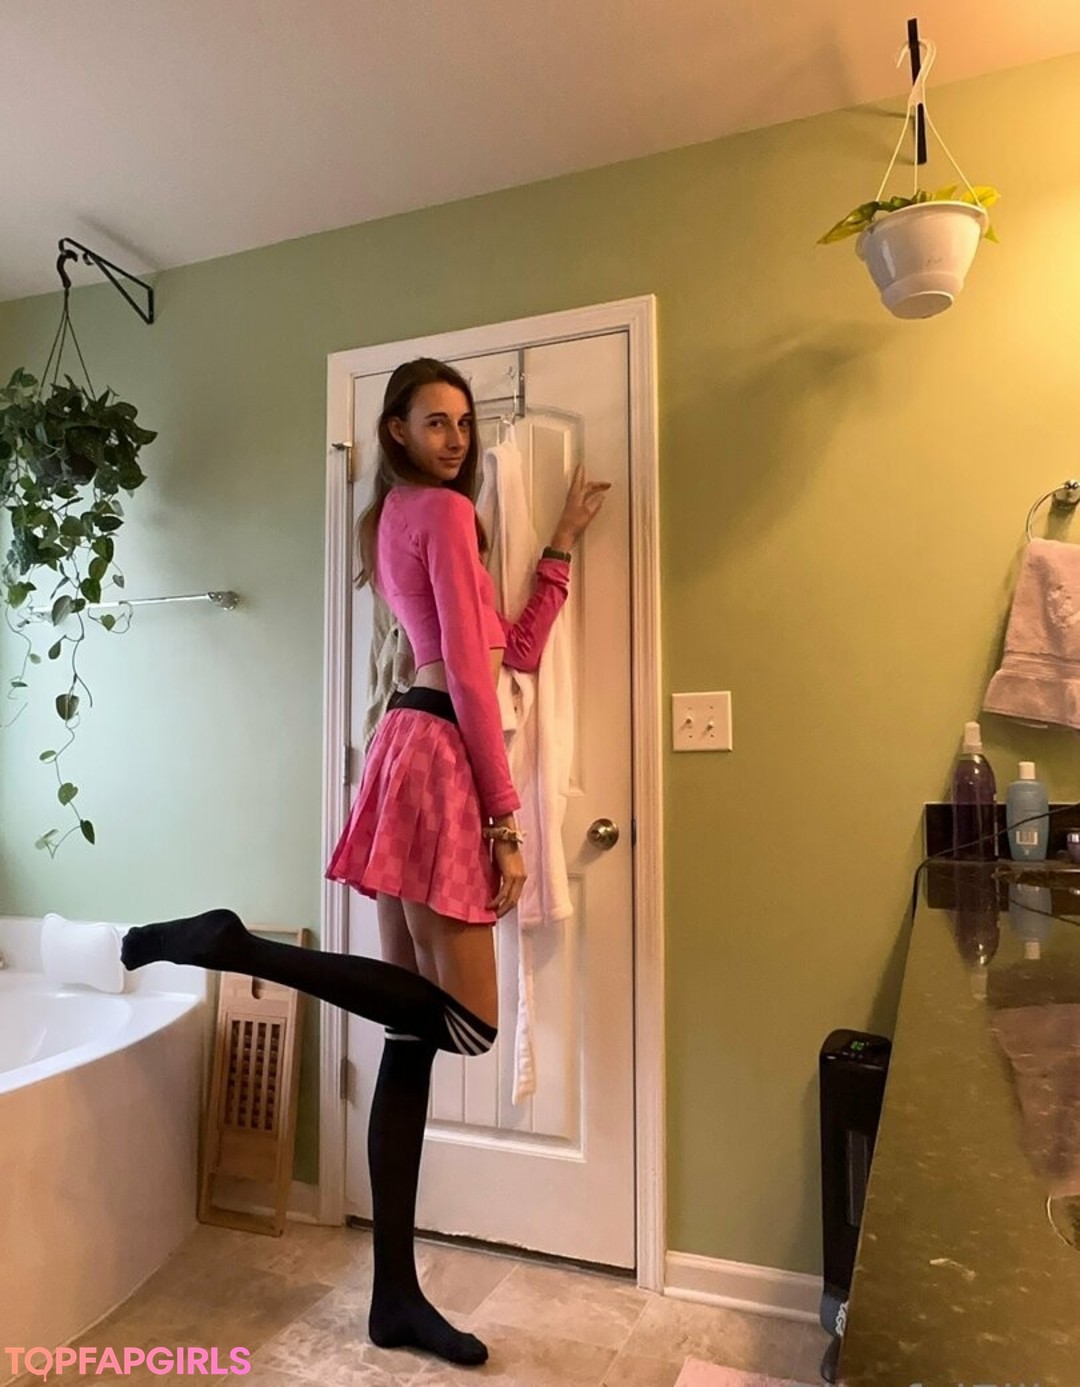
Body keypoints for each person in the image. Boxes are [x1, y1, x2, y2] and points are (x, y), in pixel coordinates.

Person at [120, 357, 610, 1368]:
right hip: (438, 753)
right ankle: (234, 943)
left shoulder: (397, 520)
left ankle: (393, 1297)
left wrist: (559, 544)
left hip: (407, 744)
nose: (455, 438)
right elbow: (471, 675)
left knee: (410, 1032)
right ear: (395, 430)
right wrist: (505, 820)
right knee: (470, 1021)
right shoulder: (441, 513)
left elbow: (509, 649)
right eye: (436, 422)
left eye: (463, 423)